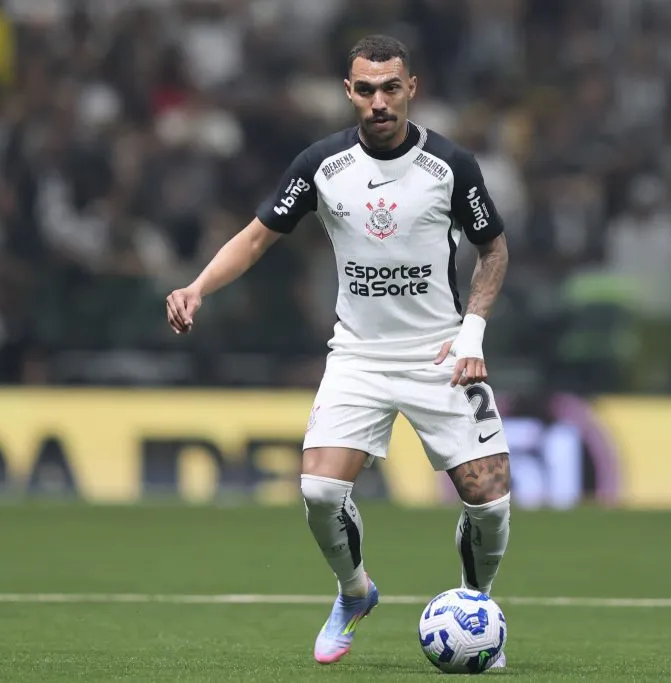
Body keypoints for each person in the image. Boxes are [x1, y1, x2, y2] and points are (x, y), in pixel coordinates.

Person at [165, 34, 511, 668]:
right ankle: (355, 592)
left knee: (489, 496)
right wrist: (196, 286)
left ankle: (476, 606)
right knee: (321, 493)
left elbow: (494, 249)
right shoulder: (321, 165)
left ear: (412, 89)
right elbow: (255, 238)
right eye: (365, 89)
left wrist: (472, 335)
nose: (378, 101)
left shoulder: (452, 165)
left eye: (390, 88)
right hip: (358, 357)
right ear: (348, 92)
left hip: (440, 354)